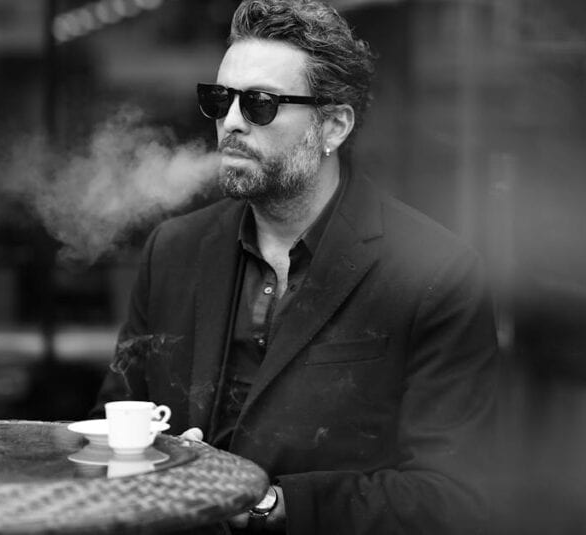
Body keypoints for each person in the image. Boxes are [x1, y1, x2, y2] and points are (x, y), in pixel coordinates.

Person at [92, 1, 499, 532]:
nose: (231, 123)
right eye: (219, 99)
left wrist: (266, 504)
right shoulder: (174, 250)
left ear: (333, 126)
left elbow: (453, 497)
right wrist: (157, 461)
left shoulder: (436, 272)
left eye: (259, 103)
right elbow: (113, 426)